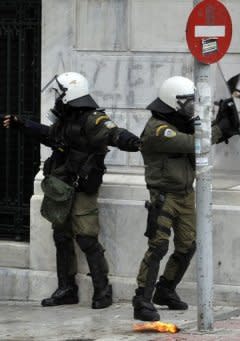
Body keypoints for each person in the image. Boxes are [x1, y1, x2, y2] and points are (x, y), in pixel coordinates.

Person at [2, 72, 141, 309]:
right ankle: (67, 289)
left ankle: (102, 290)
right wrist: (22, 124)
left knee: (86, 237)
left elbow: (113, 133)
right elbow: (50, 137)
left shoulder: (93, 119)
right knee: (61, 236)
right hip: (62, 187)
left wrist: (134, 142)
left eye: (60, 92)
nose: (57, 97)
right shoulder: (66, 119)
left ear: (70, 93)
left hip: (81, 188)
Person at [132, 76, 240, 321]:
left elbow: (199, 132)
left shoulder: (179, 122)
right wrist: (221, 128)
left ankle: (165, 290)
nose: (192, 107)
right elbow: (194, 143)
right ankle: (142, 300)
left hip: (185, 193)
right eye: (187, 102)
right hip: (164, 195)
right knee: (158, 246)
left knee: (187, 245)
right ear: (173, 102)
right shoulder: (159, 128)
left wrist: (220, 118)